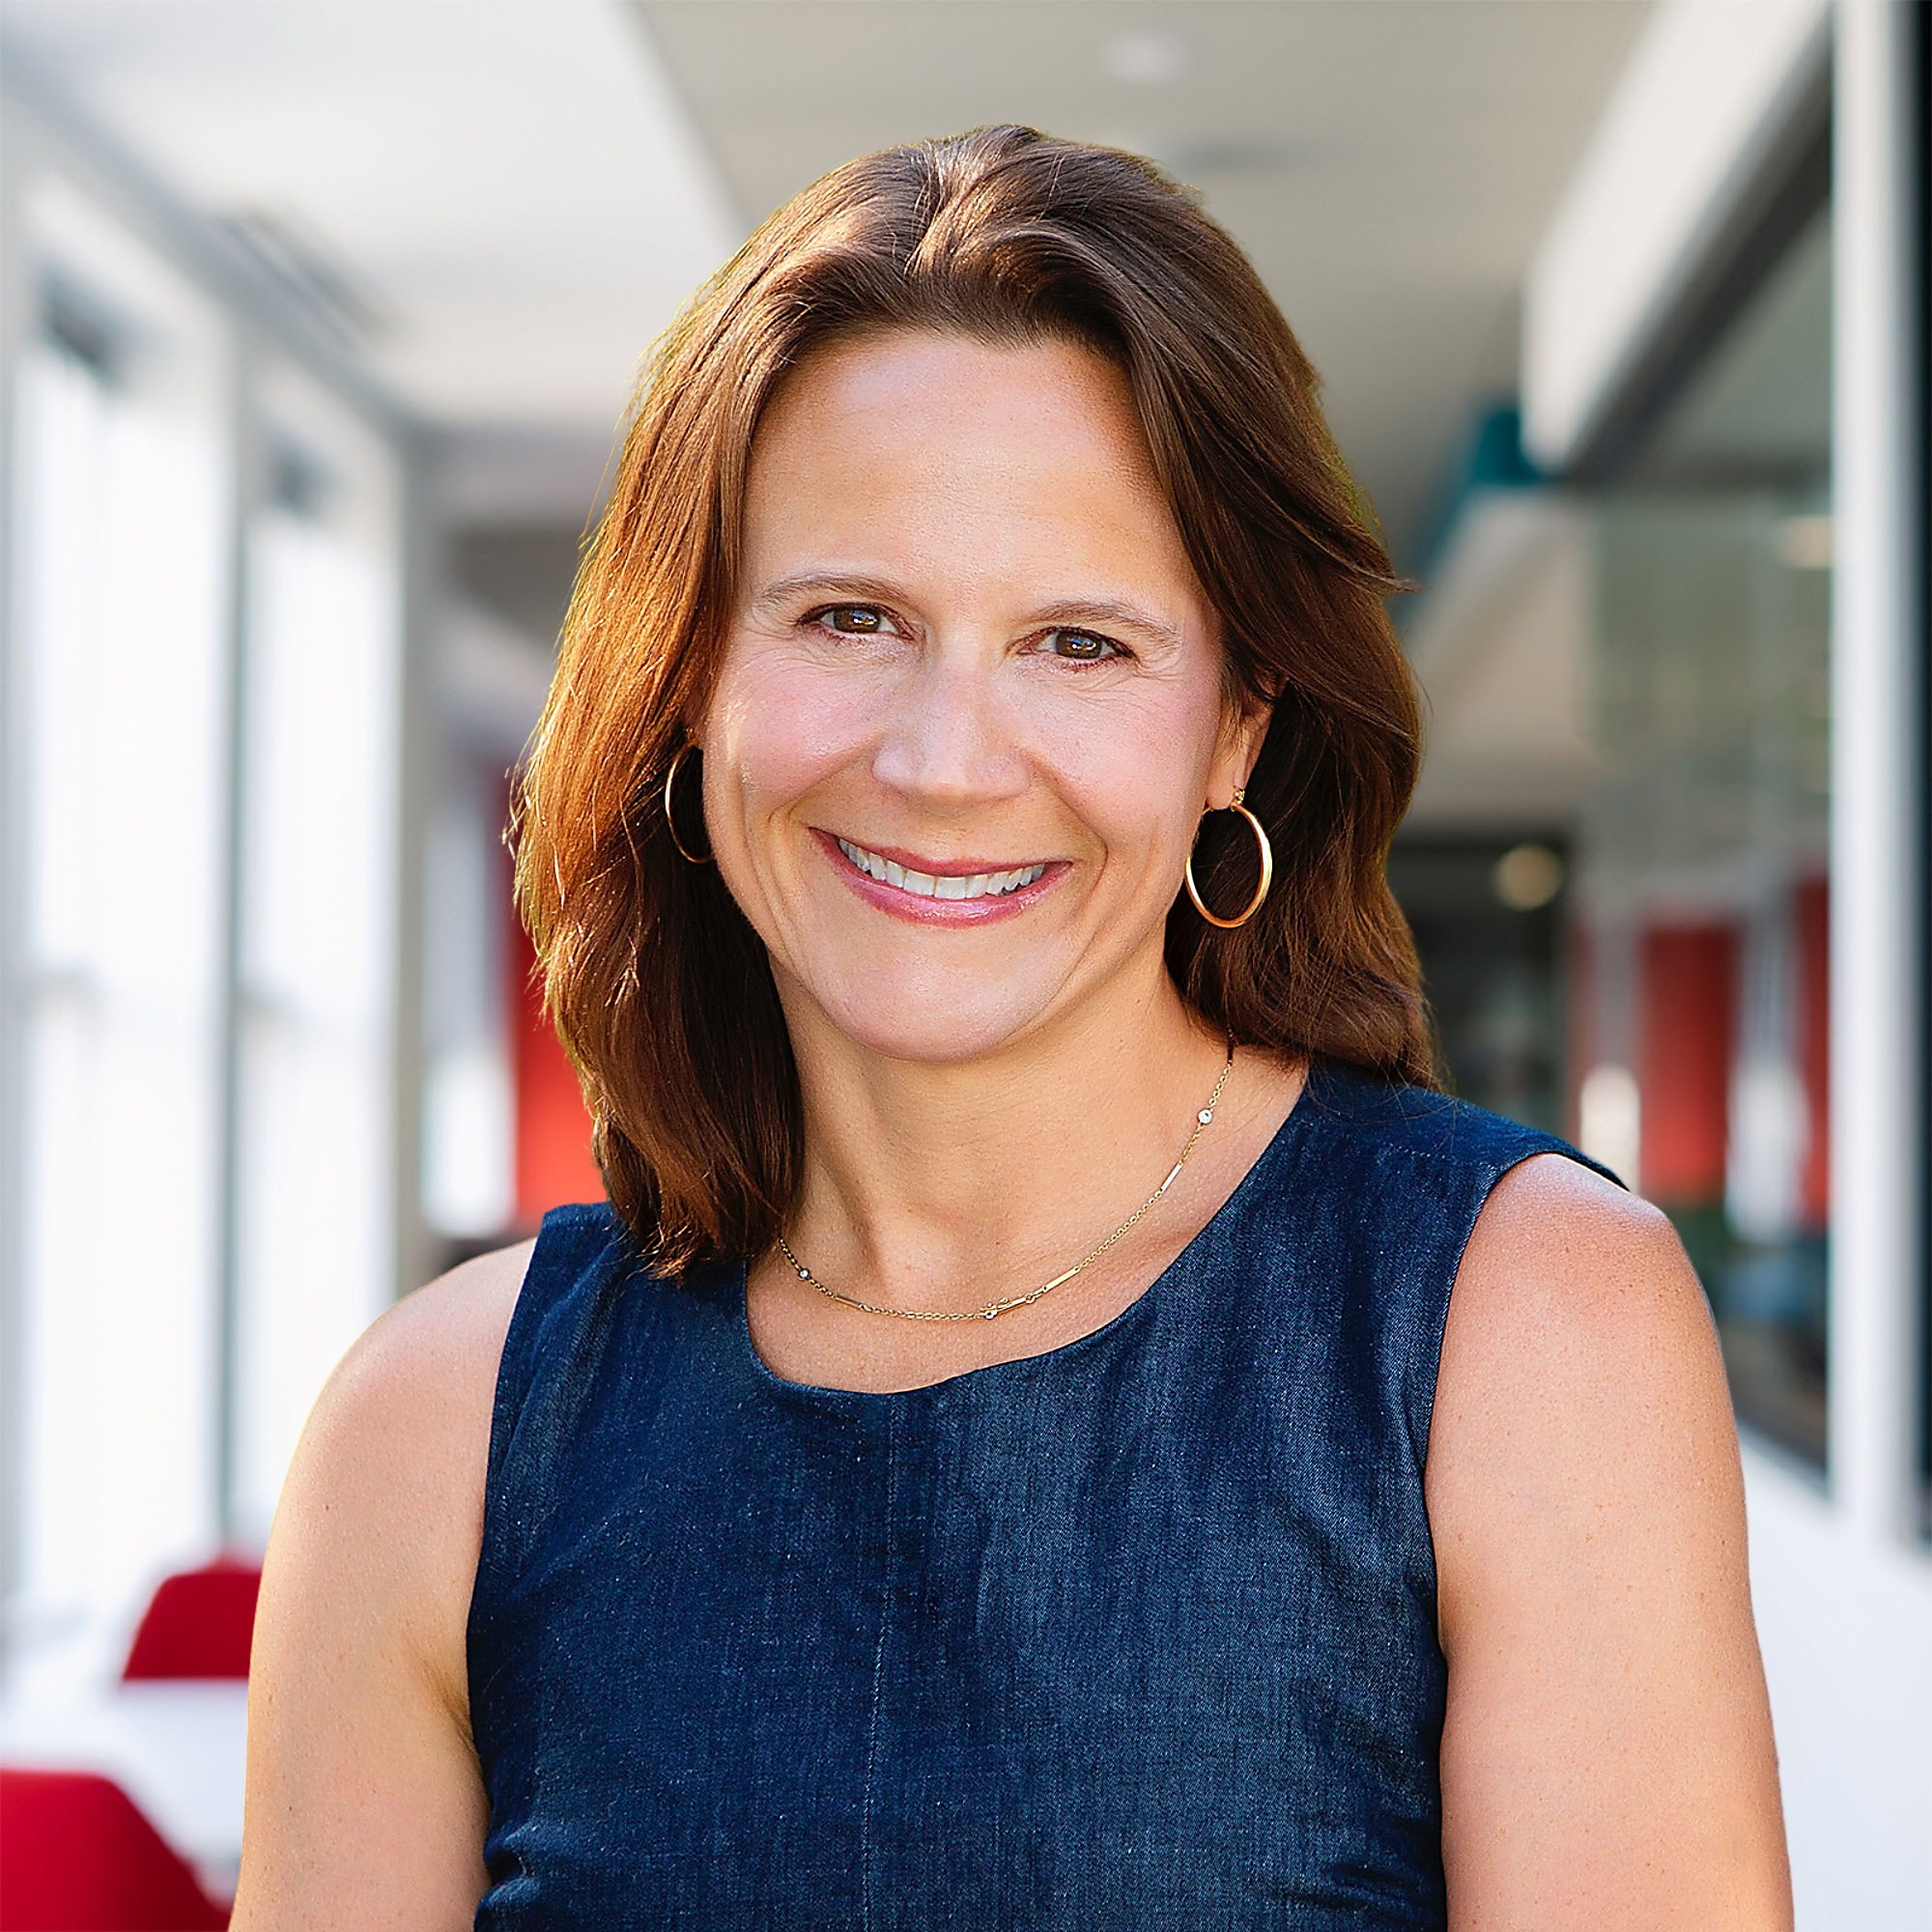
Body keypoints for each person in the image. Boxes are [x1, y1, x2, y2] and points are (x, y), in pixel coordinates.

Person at [233, 128, 1793, 1929]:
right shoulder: (432, 1430)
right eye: (847, 616)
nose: (942, 762)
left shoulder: (1523, 1327)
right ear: (690, 686)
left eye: (1079, 643)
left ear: (1235, 729)